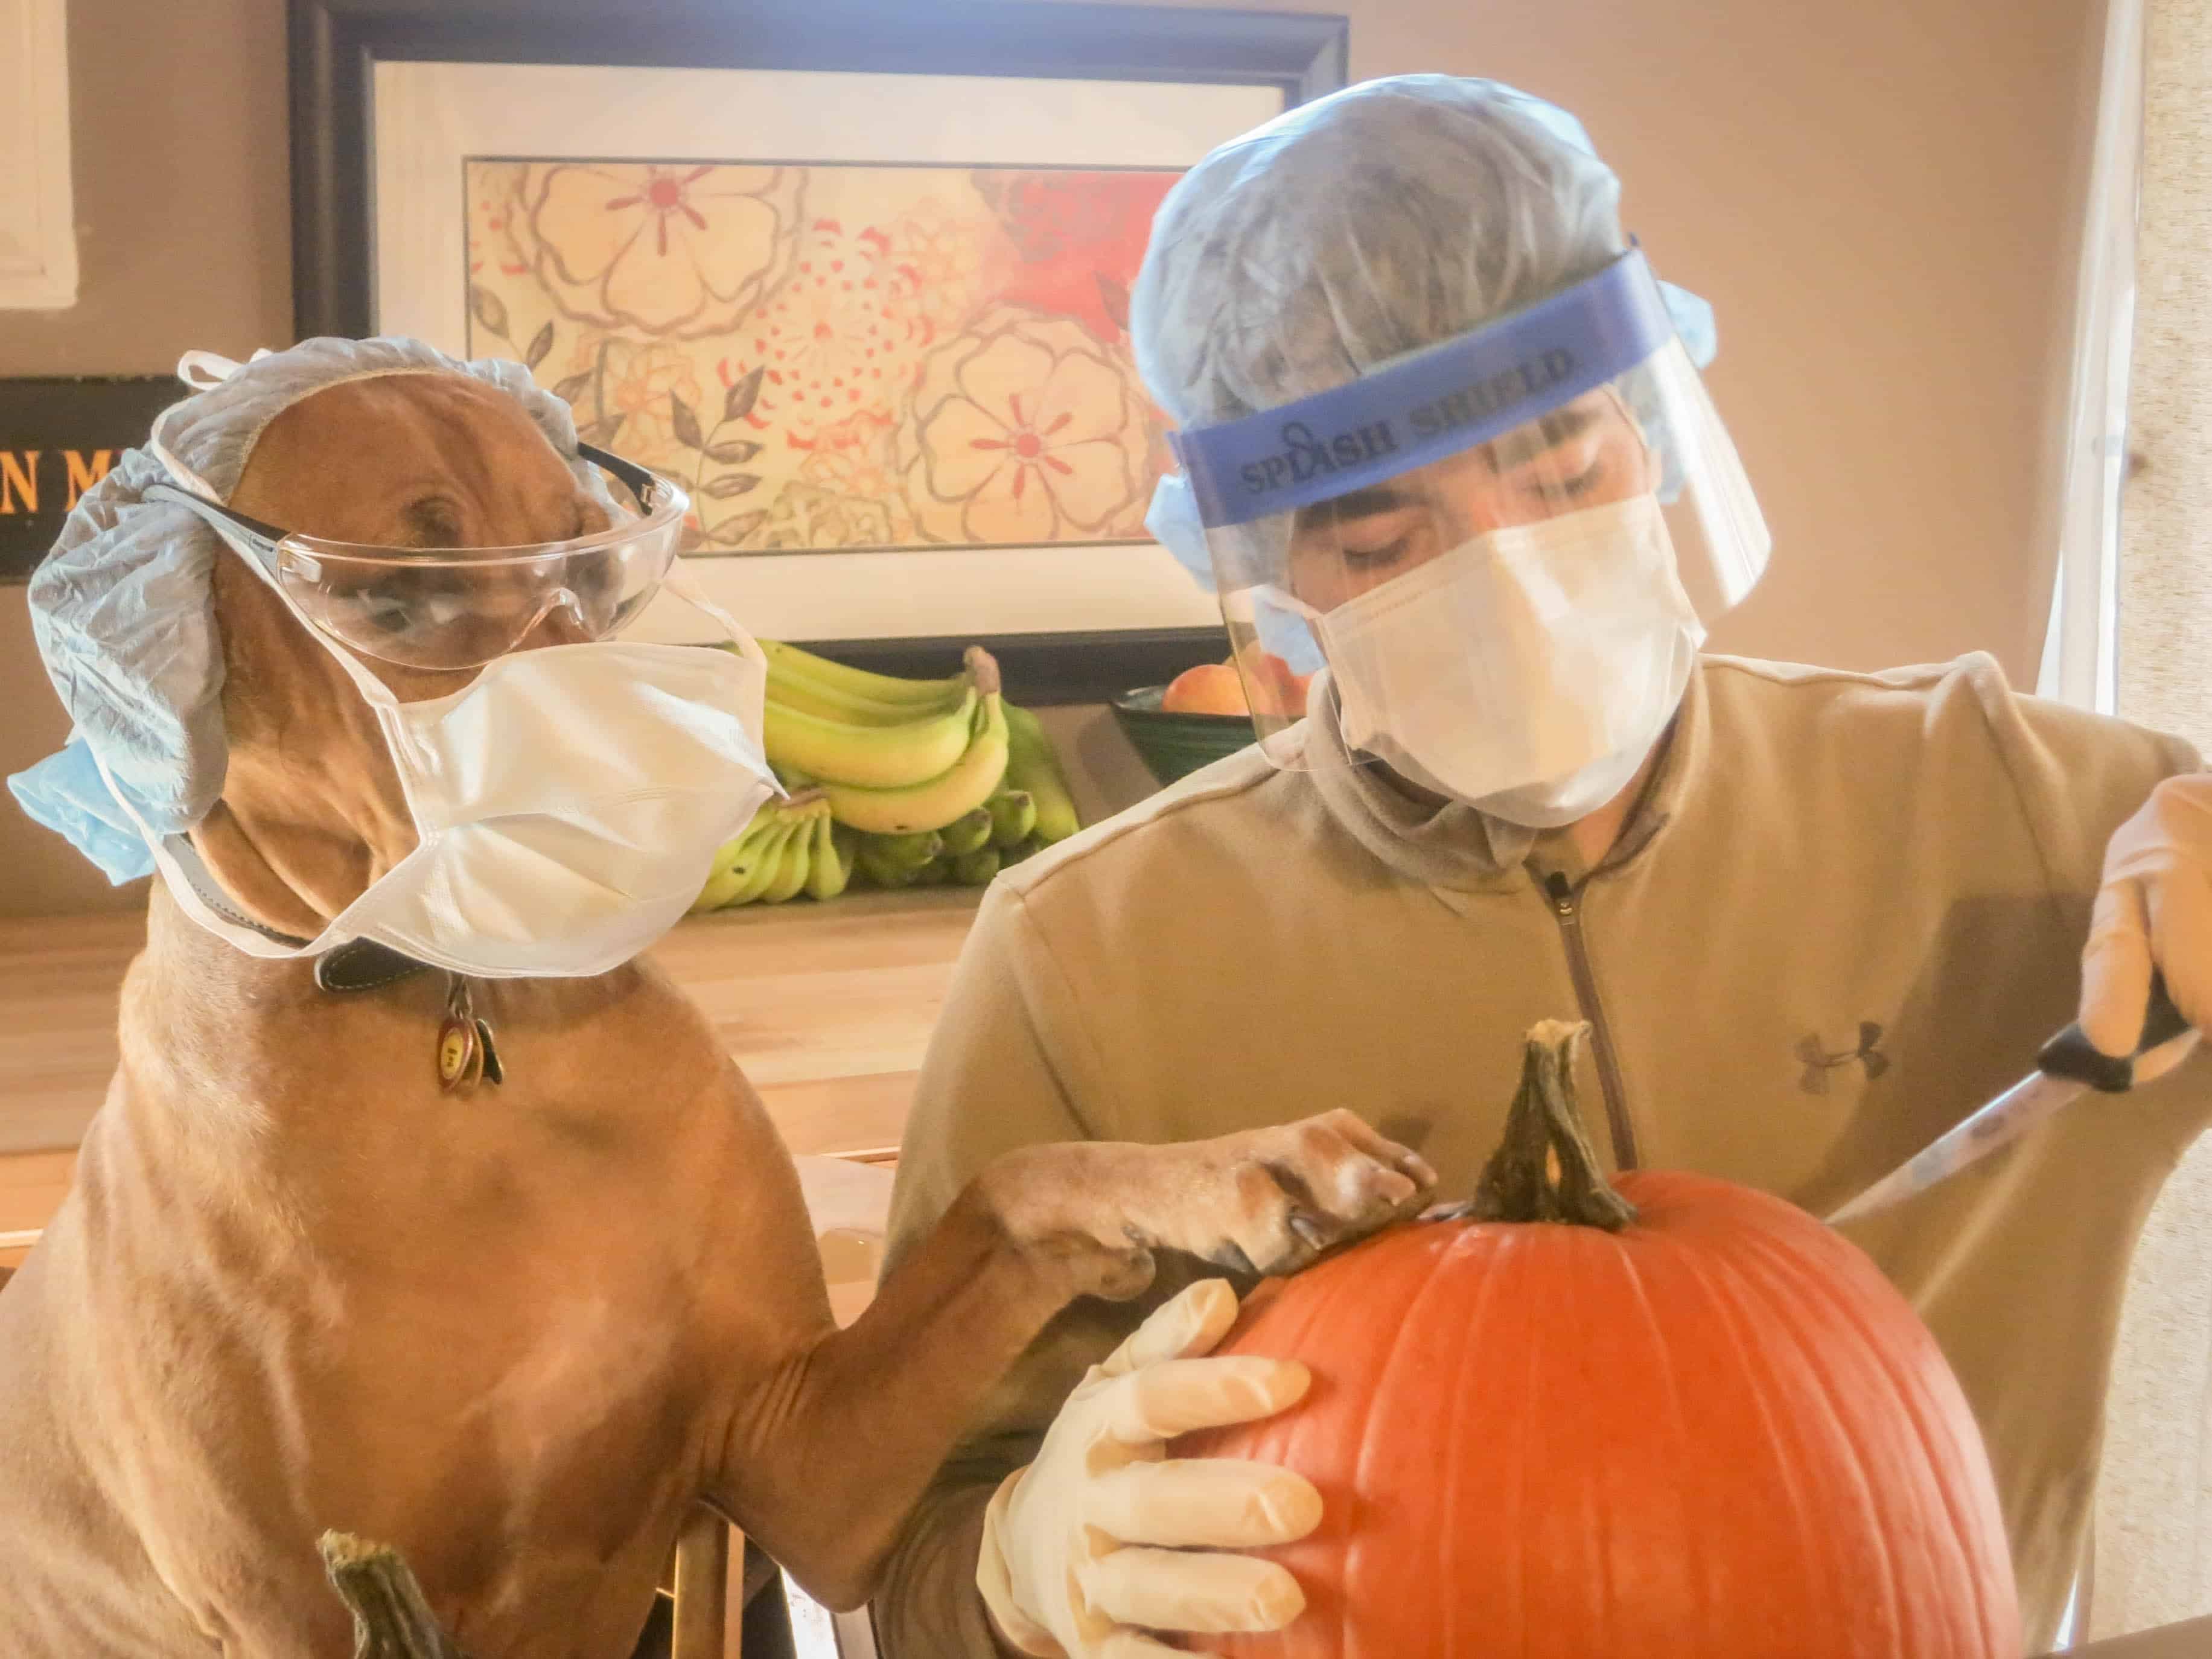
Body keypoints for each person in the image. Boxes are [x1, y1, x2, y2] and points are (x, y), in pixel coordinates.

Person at [870, 74, 2212, 1657]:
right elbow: (903, 1570)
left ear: (1650, 421)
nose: (1502, 569)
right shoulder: (1088, 956)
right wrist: (1027, 1574)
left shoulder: (2010, 809)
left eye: (1560, 470)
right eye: (1380, 543)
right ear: (1267, 573)